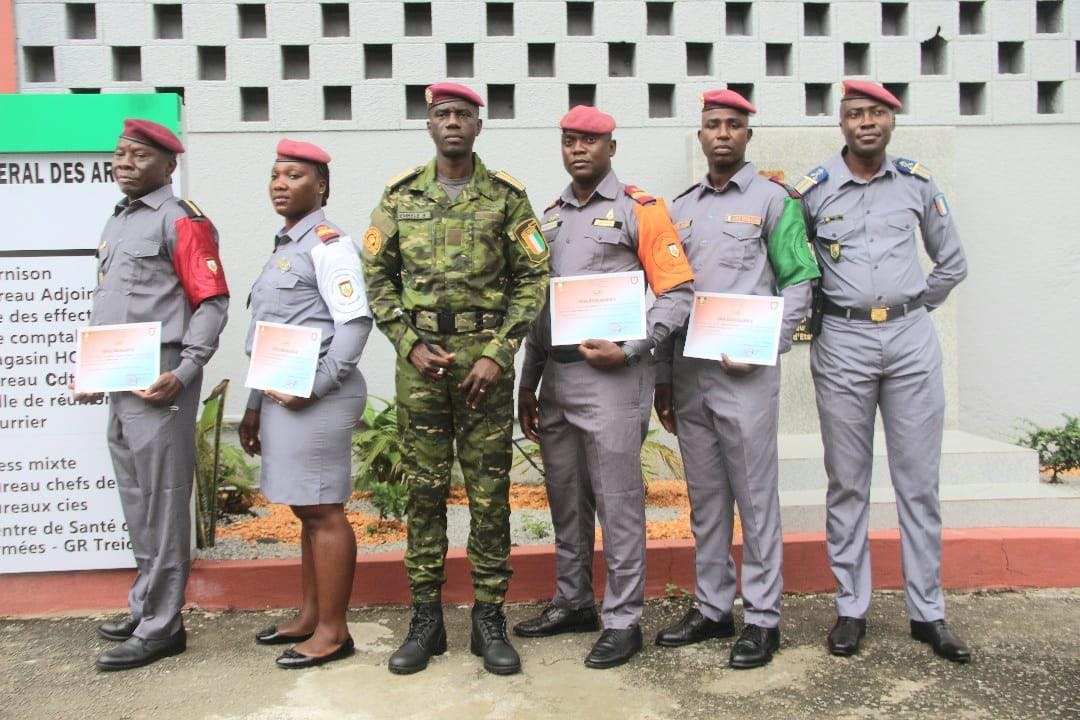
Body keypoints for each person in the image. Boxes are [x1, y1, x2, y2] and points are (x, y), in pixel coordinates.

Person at [360, 82, 549, 676]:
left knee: (490, 496)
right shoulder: (399, 197)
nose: (451, 123)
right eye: (441, 114)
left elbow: (534, 277)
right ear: (429, 125)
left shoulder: (507, 197)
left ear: (477, 126)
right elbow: (376, 276)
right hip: (421, 369)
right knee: (424, 493)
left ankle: (488, 619)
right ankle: (427, 621)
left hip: (483, 369)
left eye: (462, 115)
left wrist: (498, 352)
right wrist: (408, 343)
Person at [513, 105, 695, 669]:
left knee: (617, 501)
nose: (578, 150)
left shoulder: (641, 210)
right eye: (569, 141)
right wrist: (528, 382)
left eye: (590, 141)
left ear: (611, 148)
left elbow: (678, 294)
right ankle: (574, 600)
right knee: (566, 498)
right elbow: (541, 306)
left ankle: (623, 618)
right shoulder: (545, 219)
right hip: (558, 378)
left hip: (614, 376)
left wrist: (635, 347)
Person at [798, 79, 970, 663]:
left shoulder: (917, 185)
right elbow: (797, 267)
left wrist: (915, 306)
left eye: (876, 113)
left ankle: (929, 612)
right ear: (840, 123)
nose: (866, 122)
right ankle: (851, 608)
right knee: (847, 480)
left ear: (892, 121)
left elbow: (953, 262)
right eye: (854, 113)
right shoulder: (813, 193)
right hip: (842, 340)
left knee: (918, 483)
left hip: (909, 341)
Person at [651, 89, 821, 669]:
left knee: (755, 498)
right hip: (690, 372)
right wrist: (662, 379)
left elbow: (800, 279)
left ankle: (765, 618)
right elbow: (672, 293)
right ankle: (712, 608)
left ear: (748, 134)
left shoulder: (775, 200)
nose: (721, 134)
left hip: (744, 373)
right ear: (700, 136)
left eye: (732, 125)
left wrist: (769, 346)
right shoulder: (680, 208)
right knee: (706, 500)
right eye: (711, 125)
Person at [75, 119, 230, 671]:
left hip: (161, 378)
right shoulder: (119, 222)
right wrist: (93, 371)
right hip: (121, 379)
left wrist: (186, 369)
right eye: (120, 153)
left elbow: (211, 302)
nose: (124, 162)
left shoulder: (181, 220)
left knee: (164, 501)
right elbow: (116, 305)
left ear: (168, 166)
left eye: (139, 155)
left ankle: (163, 626)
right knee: (137, 499)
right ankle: (147, 608)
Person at [238, 139, 372, 669]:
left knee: (323, 510)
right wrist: (253, 406)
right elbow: (267, 334)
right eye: (275, 175)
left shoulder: (329, 246)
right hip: (280, 395)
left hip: (319, 398)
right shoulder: (283, 248)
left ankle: (334, 632)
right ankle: (311, 614)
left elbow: (355, 325)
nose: (280, 184)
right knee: (305, 511)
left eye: (294, 176)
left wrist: (313, 387)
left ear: (320, 187)